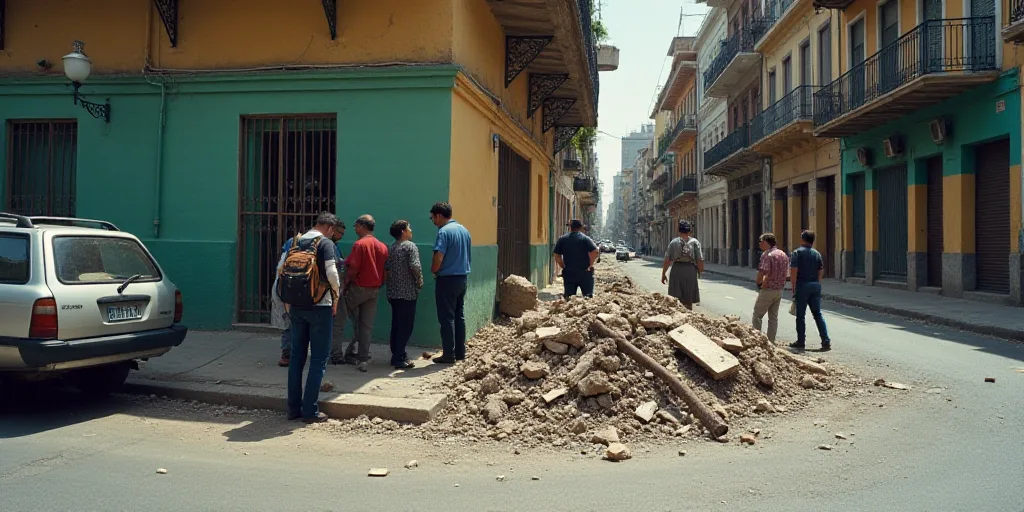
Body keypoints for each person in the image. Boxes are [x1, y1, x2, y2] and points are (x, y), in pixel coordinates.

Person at [279, 212, 341, 423]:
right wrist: (336, 296)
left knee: (296, 357)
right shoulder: (325, 244)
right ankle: (310, 411)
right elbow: (332, 273)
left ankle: (293, 409)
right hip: (320, 307)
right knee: (318, 359)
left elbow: (280, 270)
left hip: (296, 307)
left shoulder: (294, 242)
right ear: (330, 228)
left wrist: (288, 302)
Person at [341, 215, 389, 372]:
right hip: (374, 289)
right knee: (366, 325)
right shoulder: (382, 246)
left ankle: (334, 354)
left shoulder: (359, 245)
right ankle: (363, 357)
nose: (355, 229)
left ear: (362, 226)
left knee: (338, 319)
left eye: (356, 226)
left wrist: (347, 283)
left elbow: (353, 267)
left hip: (358, 287)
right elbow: (385, 270)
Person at [429, 202, 472, 364]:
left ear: (439, 216)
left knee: (446, 318)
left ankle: (448, 354)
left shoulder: (443, 232)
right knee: (458, 316)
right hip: (462, 278)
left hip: (446, 279)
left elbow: (439, 256)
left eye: (432, 217)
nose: (433, 221)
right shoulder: (464, 231)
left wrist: (434, 270)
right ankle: (460, 352)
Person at [384, 220, 424, 369]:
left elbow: (387, 269)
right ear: (403, 231)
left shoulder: (392, 248)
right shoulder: (410, 246)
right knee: (406, 326)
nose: (411, 230)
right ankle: (399, 357)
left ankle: (396, 353)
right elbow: (415, 266)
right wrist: (419, 281)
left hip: (393, 293)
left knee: (396, 324)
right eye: (409, 227)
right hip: (407, 293)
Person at [789, 230, 831, 351]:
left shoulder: (797, 253)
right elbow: (820, 270)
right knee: (817, 314)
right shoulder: (816, 254)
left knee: (800, 316)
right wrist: (817, 283)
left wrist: (793, 287)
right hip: (815, 285)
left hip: (802, 285)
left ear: (802, 239)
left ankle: (801, 341)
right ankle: (826, 341)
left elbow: (794, 271)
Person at [752, 232, 789, 342]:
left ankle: (756, 340)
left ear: (765, 242)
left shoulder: (767, 255)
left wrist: (758, 283)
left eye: (760, 242)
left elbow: (763, 272)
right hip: (779, 289)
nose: (759, 244)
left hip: (768, 289)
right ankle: (771, 341)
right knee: (773, 317)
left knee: (757, 315)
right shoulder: (783, 254)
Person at [661, 220, 704, 310]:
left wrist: (663, 274)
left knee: (675, 297)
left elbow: (667, 260)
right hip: (690, 270)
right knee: (689, 297)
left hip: (676, 269)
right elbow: (699, 259)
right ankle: (688, 314)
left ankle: (678, 315)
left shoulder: (673, 243)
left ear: (679, 231)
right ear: (689, 231)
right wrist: (700, 270)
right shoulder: (695, 242)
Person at [553, 219, 599, 299]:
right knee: (588, 298)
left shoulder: (562, 239)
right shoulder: (585, 239)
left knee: (569, 299)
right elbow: (595, 252)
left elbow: (557, 255)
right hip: (585, 273)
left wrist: (563, 266)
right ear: (581, 228)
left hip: (569, 273)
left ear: (570, 227)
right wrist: (590, 265)